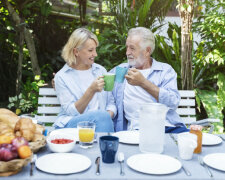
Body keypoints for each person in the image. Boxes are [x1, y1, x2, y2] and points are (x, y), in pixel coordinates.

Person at [109, 27, 190, 133]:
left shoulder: (164, 71)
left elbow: (173, 102)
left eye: (132, 48)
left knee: (192, 145)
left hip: (168, 127)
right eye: (127, 47)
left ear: (147, 51)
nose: (127, 52)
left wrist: (143, 82)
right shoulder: (120, 71)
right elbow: (106, 95)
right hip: (137, 130)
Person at [53, 28, 116, 132]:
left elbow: (111, 103)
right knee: (100, 115)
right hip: (73, 125)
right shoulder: (62, 77)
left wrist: (106, 117)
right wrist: (91, 90)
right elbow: (71, 112)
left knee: (101, 116)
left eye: (95, 49)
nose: (95, 54)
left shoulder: (100, 71)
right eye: (90, 50)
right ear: (76, 51)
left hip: (100, 125)